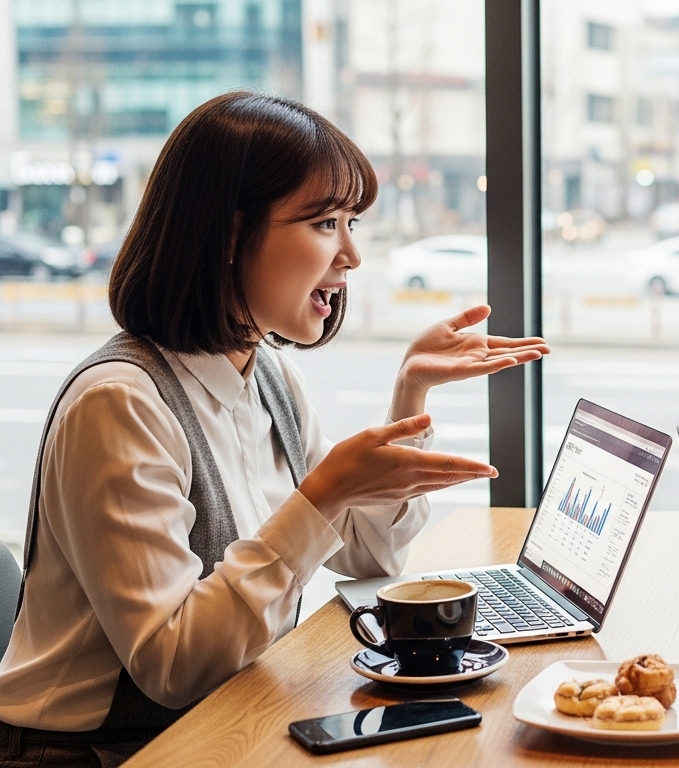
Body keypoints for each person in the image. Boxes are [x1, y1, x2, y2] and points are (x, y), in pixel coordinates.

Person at [0, 92, 549, 767]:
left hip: (217, 722)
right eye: (324, 223)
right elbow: (173, 668)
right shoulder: (120, 403)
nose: (350, 255)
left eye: (352, 222)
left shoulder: (265, 379)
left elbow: (367, 558)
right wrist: (319, 497)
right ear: (229, 236)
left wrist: (410, 394)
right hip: (97, 752)